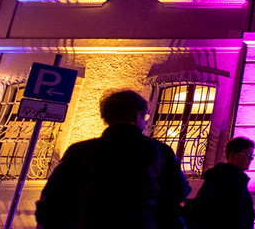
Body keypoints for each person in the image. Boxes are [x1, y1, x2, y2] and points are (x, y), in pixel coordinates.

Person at [35, 89, 190, 229]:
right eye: (145, 116)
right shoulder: (160, 151)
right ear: (138, 116)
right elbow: (179, 190)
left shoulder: (80, 151)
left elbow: (54, 197)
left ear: (107, 117)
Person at [188, 136, 255, 229]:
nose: (251, 159)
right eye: (248, 155)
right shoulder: (230, 180)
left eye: (252, 155)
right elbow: (232, 215)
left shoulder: (220, 177)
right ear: (232, 155)